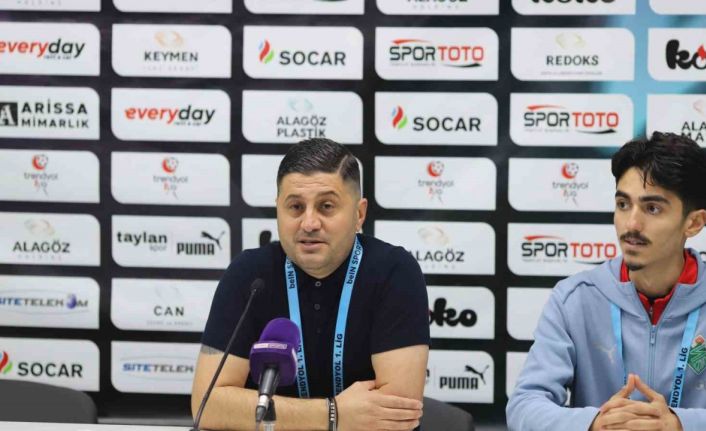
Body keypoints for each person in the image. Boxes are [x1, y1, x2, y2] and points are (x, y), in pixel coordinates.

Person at [192, 138, 430, 431]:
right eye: (295, 207)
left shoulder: (394, 271)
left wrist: (278, 414)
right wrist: (333, 414)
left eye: (326, 206)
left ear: (359, 214)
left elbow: (395, 415)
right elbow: (207, 405)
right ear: (278, 210)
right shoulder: (250, 276)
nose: (309, 223)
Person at [507, 132, 706, 431]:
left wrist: (680, 424)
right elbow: (524, 406)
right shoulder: (574, 299)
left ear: (694, 223)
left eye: (652, 208)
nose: (631, 224)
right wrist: (593, 423)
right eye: (623, 204)